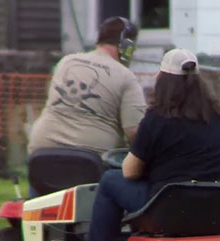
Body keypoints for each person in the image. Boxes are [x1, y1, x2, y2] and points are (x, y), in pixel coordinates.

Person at [72, 48, 220, 241]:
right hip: (219, 211)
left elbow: (131, 172)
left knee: (111, 180)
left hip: (171, 210)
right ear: (199, 82)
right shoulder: (217, 117)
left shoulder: (157, 120)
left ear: (163, 81)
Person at [28, 17, 146, 156]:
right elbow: (134, 132)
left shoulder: (66, 62)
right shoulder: (125, 76)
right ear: (127, 46)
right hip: (91, 158)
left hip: (42, 149)